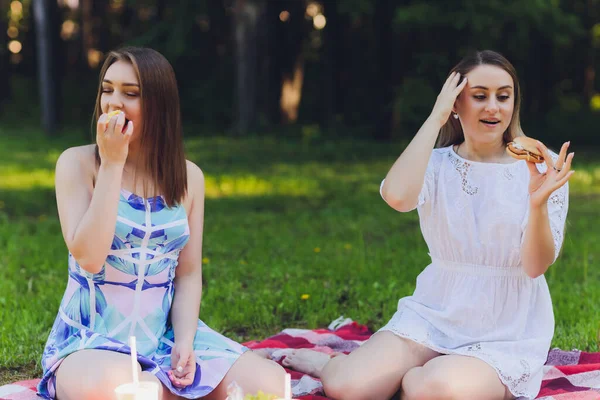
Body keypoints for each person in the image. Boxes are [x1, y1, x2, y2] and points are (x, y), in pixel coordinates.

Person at [282, 50, 574, 400]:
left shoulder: (544, 167)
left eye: (503, 96)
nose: (493, 107)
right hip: (434, 314)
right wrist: (435, 118)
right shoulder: (435, 165)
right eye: (479, 96)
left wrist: (537, 203)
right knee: (347, 386)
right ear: (455, 102)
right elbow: (397, 197)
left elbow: (534, 267)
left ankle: (414, 379)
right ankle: (329, 365)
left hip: (506, 330)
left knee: (435, 388)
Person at [37, 47, 286, 400]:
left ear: (160, 103)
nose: (114, 103)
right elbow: (89, 258)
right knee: (123, 389)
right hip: (89, 342)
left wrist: (184, 341)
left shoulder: (188, 178)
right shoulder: (77, 164)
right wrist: (112, 164)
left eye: (131, 93)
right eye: (107, 90)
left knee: (272, 386)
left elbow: (187, 274)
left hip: (162, 337)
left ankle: (166, 387)